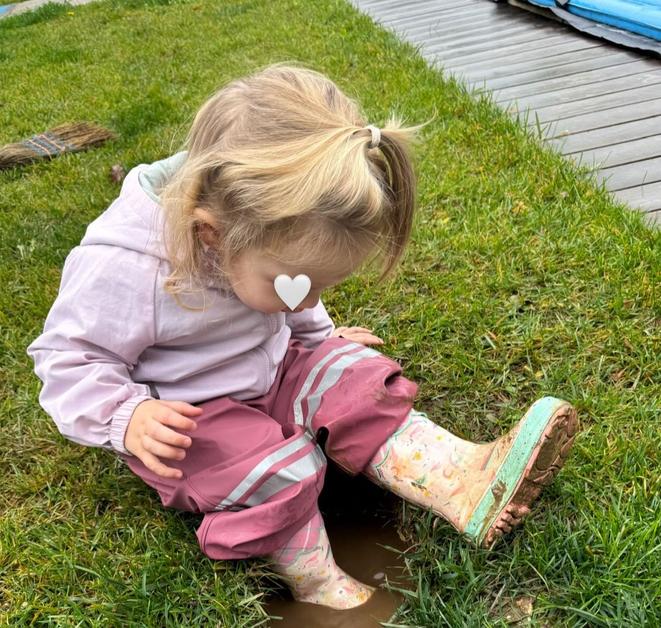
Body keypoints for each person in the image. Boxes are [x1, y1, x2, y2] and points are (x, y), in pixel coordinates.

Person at [26, 62, 579, 610]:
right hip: (187, 416)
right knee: (275, 470)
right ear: (211, 236)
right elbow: (66, 358)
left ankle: (460, 480)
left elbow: (297, 305)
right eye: (296, 284)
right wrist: (127, 418)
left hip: (267, 369)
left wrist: (325, 340)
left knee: (355, 379)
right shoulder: (127, 269)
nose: (310, 300)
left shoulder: (263, 246)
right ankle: (316, 584)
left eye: (323, 285)